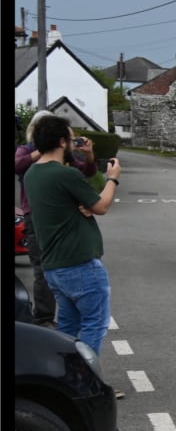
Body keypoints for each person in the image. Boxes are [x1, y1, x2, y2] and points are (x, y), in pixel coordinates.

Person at [22, 114, 120, 354]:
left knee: (67, 327)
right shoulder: (65, 174)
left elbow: (64, 204)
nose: (73, 143)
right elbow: (101, 206)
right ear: (61, 142)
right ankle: (87, 383)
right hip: (80, 264)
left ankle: (66, 380)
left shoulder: (31, 175)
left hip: (54, 266)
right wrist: (112, 179)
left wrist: (83, 204)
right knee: (94, 324)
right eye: (71, 138)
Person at [14, 110, 61, 325]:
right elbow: (17, 165)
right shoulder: (27, 150)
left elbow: (83, 169)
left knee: (61, 267)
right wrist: (37, 152)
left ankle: (61, 315)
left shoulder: (59, 151)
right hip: (34, 215)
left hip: (58, 216)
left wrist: (87, 155)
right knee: (41, 268)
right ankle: (44, 317)